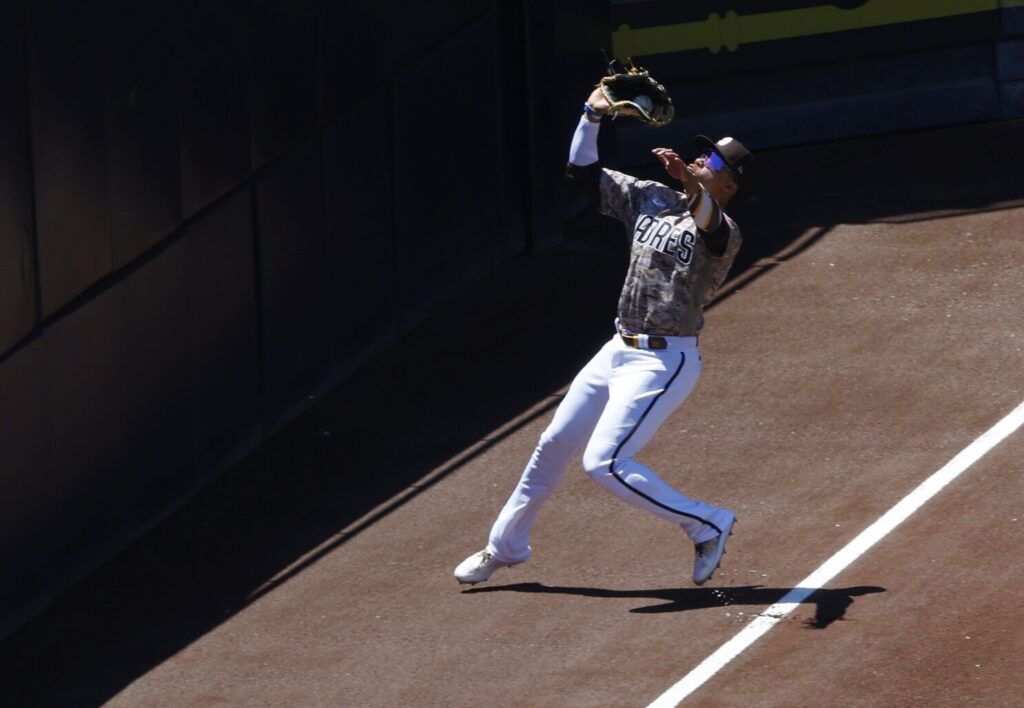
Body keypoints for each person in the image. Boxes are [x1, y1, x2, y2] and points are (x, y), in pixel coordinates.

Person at [454, 83, 754, 587]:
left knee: (605, 462)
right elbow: (582, 173)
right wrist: (591, 115)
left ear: (731, 185)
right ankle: (504, 547)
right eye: (702, 153)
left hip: (665, 362)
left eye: (715, 162)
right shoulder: (651, 198)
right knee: (553, 444)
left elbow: (711, 225)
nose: (703, 159)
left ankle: (706, 523)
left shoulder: (725, 227)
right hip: (617, 349)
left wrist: (689, 180)